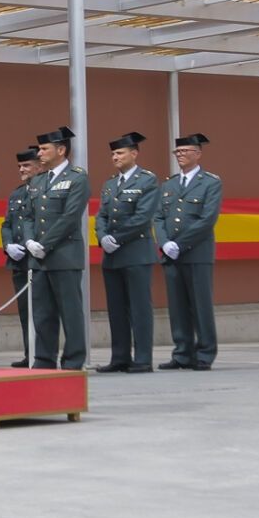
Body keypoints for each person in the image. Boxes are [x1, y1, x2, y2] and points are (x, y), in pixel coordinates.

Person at [22, 126, 90, 371]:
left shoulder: (77, 177)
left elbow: (71, 216)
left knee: (70, 311)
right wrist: (30, 241)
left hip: (64, 255)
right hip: (38, 258)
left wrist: (45, 244)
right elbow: (28, 216)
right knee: (42, 312)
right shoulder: (38, 180)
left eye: (44, 148)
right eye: (39, 148)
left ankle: (73, 359)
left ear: (61, 150)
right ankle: (44, 358)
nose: (39, 153)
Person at [96, 131, 162, 373]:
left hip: (136, 252)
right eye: (113, 153)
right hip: (112, 255)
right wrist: (103, 237)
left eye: (120, 152)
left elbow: (143, 218)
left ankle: (143, 357)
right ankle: (119, 356)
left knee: (139, 307)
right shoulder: (110, 184)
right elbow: (101, 215)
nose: (115, 157)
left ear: (134, 154)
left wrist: (117, 237)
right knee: (116, 307)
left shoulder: (147, 180)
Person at [158, 133, 222, 371]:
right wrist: (164, 242)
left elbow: (207, 219)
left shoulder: (210, 182)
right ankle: (182, 352)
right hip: (171, 253)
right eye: (178, 152)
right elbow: (158, 217)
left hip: (196, 253)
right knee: (177, 305)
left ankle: (204, 352)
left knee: (200, 304)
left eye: (185, 151)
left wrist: (180, 244)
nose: (181, 156)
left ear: (198, 154)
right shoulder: (169, 184)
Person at [2, 148, 40, 365]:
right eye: (19, 166)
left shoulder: (42, 190)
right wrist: (8, 245)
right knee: (25, 311)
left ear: (39, 166)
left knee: (40, 311)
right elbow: (7, 224)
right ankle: (30, 353)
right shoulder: (17, 193)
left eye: (26, 166)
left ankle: (41, 353)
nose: (21, 170)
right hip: (18, 260)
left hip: (36, 257)